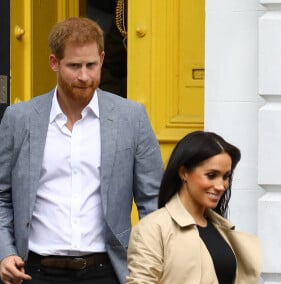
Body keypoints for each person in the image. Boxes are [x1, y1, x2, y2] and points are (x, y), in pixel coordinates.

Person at [0, 17, 164, 284]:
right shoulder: (20, 119)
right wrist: (4, 253)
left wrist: (148, 266)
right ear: (54, 63)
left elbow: (153, 200)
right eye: (74, 66)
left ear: (101, 59)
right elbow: (1, 194)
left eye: (91, 65)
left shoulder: (131, 118)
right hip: (34, 272)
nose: (84, 76)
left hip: (107, 271)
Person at [127, 131, 262, 284]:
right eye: (211, 175)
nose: (221, 186)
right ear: (184, 173)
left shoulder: (221, 229)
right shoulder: (153, 228)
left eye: (226, 177)